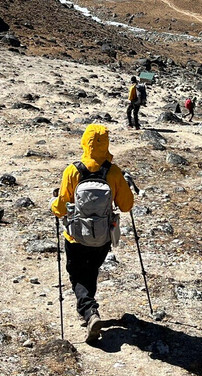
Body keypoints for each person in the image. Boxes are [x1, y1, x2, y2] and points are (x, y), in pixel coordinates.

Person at [51, 124, 134, 343]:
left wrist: (54, 203)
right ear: (106, 143)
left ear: (85, 142)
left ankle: (89, 312)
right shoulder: (114, 172)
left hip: (76, 236)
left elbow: (60, 208)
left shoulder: (73, 171)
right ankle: (89, 309)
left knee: (76, 273)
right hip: (103, 237)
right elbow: (126, 206)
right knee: (91, 271)